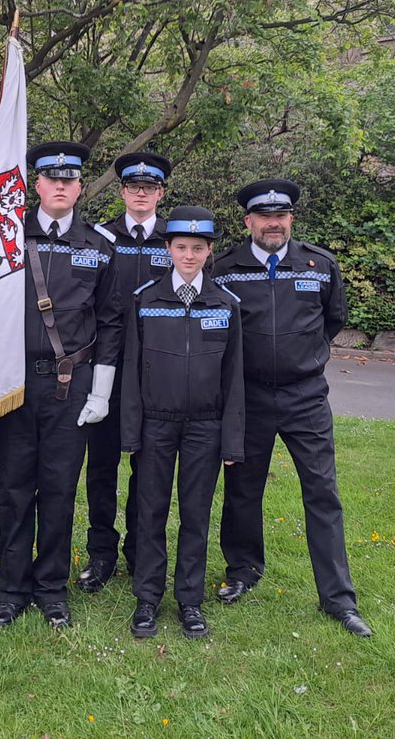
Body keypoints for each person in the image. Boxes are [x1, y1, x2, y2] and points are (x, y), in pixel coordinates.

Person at [210, 179, 373, 638]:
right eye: (264, 217)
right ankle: (242, 571)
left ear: (290, 220)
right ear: (249, 222)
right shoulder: (225, 268)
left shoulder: (320, 265)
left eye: (280, 216)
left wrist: (304, 359)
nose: (273, 224)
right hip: (249, 397)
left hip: (305, 398)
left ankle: (338, 599)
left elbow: (332, 319)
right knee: (243, 489)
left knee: (322, 493)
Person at [0, 142, 123, 630]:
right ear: (36, 186)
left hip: (72, 386)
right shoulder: (3, 239)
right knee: (15, 489)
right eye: (51, 179)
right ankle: (12, 589)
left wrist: (103, 391)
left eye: (70, 179)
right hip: (14, 384)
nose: (61, 186)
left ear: (80, 187)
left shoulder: (99, 246)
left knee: (61, 489)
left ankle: (51, 589)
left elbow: (110, 322)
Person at [121, 206, 244, 639]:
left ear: (209, 251)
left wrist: (231, 441)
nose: (188, 255)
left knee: (195, 514)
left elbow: (234, 377)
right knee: (150, 511)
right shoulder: (146, 300)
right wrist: (130, 431)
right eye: (180, 247)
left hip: (205, 428)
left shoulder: (226, 304)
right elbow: (132, 371)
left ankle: (190, 601)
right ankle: (147, 599)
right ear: (168, 249)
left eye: (197, 248)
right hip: (156, 423)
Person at [78, 151, 173, 593]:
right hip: (106, 371)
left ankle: (140, 550)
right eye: (133, 187)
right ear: (121, 192)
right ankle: (101, 554)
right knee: (100, 468)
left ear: (160, 193)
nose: (141, 194)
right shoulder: (100, 239)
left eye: (149, 188)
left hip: (156, 374)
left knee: (149, 470)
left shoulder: (176, 244)